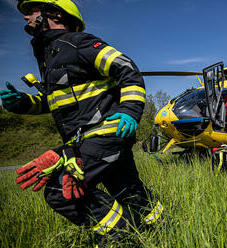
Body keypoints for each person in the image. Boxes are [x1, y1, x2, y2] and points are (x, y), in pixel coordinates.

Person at [0, 0, 163, 246]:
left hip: (105, 133)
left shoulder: (78, 43)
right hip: (89, 139)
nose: (26, 18)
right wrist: (23, 103)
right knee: (127, 189)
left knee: (60, 190)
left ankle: (123, 237)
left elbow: (127, 69)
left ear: (53, 14)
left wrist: (129, 110)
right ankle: (162, 229)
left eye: (32, 11)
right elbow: (55, 101)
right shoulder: (50, 55)